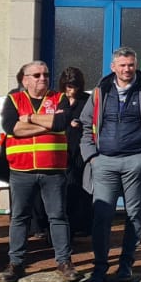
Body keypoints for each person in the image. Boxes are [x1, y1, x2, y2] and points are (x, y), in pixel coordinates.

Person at [81, 47, 141, 282]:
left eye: (130, 65)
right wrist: (91, 157)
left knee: (134, 216)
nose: (127, 69)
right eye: (122, 65)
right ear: (113, 67)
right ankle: (99, 268)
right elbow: (86, 125)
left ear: (136, 65)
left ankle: (126, 265)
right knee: (102, 216)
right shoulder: (100, 93)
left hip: (136, 161)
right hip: (104, 162)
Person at [0, 61, 76, 282]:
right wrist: (48, 125)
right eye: (36, 75)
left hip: (53, 168)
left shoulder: (58, 98)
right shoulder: (14, 100)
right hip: (21, 169)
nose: (43, 78)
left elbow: (62, 122)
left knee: (58, 216)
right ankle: (16, 262)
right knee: (20, 217)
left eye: (45, 74)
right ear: (25, 80)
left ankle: (64, 261)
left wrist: (30, 119)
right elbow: (11, 127)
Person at [58, 67, 93, 237]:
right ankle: (65, 225)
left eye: (73, 86)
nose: (69, 90)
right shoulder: (59, 100)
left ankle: (80, 224)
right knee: (63, 187)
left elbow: (93, 122)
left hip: (79, 149)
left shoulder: (86, 100)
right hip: (61, 149)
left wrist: (79, 124)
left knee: (79, 186)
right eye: (67, 86)